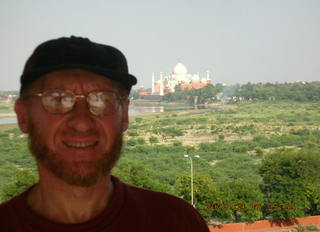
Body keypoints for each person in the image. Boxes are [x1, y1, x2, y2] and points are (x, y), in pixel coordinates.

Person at [0, 36, 210, 231]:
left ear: (125, 115)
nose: (81, 123)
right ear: (23, 115)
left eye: (101, 100)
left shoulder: (175, 223)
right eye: (58, 99)